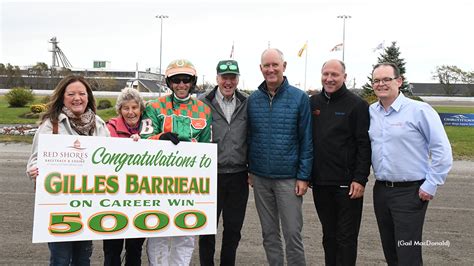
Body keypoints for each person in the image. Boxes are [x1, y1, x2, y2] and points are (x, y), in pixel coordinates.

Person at [369, 62, 453, 265]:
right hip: (381, 191)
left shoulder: (419, 110)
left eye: (386, 79)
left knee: (408, 253)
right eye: (376, 80)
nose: (381, 84)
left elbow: (442, 150)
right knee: (390, 250)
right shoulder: (371, 112)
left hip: (410, 192)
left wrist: (431, 183)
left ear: (399, 81)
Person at [26, 75, 110, 265]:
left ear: (88, 97)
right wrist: (34, 170)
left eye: (81, 93)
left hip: (88, 205)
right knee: (61, 259)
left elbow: (111, 160)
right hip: (59, 206)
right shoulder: (51, 124)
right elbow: (34, 159)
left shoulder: (99, 125)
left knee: (83, 258)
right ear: (62, 97)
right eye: (71, 94)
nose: (77, 98)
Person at [140, 59, 212, 266]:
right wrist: (159, 138)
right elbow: (143, 139)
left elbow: (207, 147)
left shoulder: (204, 111)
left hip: (190, 184)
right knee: (158, 230)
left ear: (193, 81)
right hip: (158, 182)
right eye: (176, 80)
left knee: (187, 232)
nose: (181, 85)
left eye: (186, 80)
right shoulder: (154, 107)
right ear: (168, 82)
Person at [247, 48, 313, 266]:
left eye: (275, 64)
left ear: (284, 66)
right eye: (266, 65)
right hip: (261, 178)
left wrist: (303, 176)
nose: (271, 69)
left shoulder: (299, 98)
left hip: (289, 179)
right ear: (261, 68)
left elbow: (306, 140)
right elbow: (249, 136)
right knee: (269, 233)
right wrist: (250, 169)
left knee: (293, 233)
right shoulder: (253, 100)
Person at [309, 59, 371, 266]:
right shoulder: (313, 103)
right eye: (325, 74)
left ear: (344, 77)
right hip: (320, 183)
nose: (329, 78)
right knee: (329, 236)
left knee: (346, 238)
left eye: (334, 75)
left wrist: (360, 179)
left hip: (347, 185)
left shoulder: (358, 105)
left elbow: (364, 145)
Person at [198, 59, 249, 266]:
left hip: (238, 176)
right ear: (217, 78)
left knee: (233, 229)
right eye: (224, 77)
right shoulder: (202, 102)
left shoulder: (247, 102)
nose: (228, 82)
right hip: (210, 175)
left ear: (237, 79)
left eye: (232, 78)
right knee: (207, 229)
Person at [103, 87, 145, 266]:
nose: (131, 112)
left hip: (140, 198)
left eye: (135, 107)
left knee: (135, 249)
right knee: (112, 250)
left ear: (141, 109)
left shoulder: (150, 128)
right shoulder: (109, 128)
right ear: (119, 110)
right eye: (126, 108)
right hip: (115, 198)